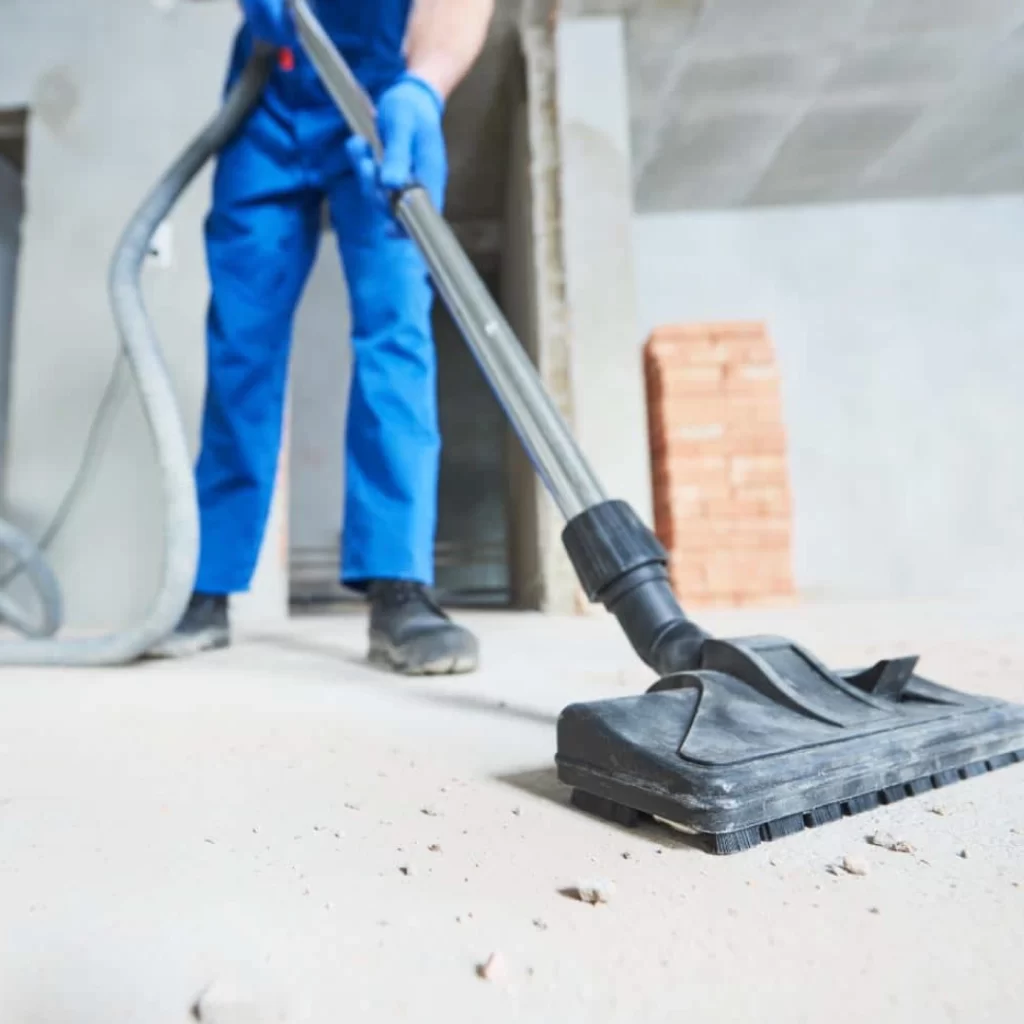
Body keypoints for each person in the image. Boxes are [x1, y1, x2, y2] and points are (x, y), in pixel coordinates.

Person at [148, 0, 494, 674]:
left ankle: (401, 586)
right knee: (241, 345)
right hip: (270, 93)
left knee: (395, 330)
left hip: (379, 90)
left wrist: (425, 84)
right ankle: (208, 585)